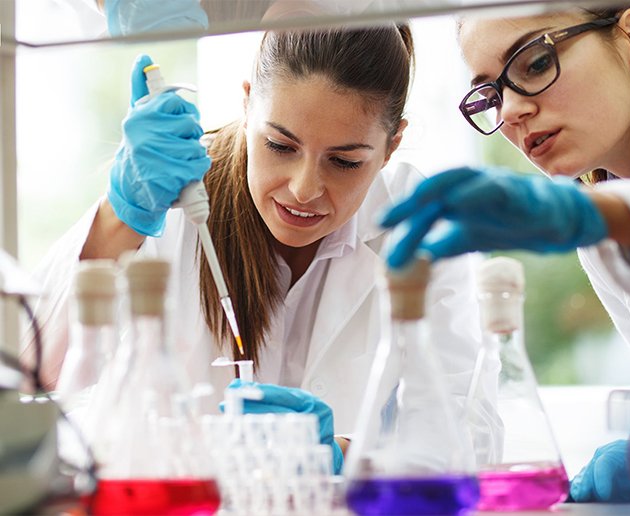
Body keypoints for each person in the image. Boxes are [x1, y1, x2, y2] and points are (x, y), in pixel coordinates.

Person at [23, 25, 500, 475]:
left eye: (344, 161)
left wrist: (341, 457)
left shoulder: (421, 229)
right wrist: (120, 216)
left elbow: (470, 436)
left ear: (391, 146)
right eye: (280, 145)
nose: (304, 188)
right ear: (248, 103)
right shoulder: (172, 200)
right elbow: (23, 375)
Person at [379, 2, 630, 503]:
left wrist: (599, 217)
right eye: (491, 95)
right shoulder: (603, 222)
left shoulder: (603, 214)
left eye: (535, 63)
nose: (509, 111)